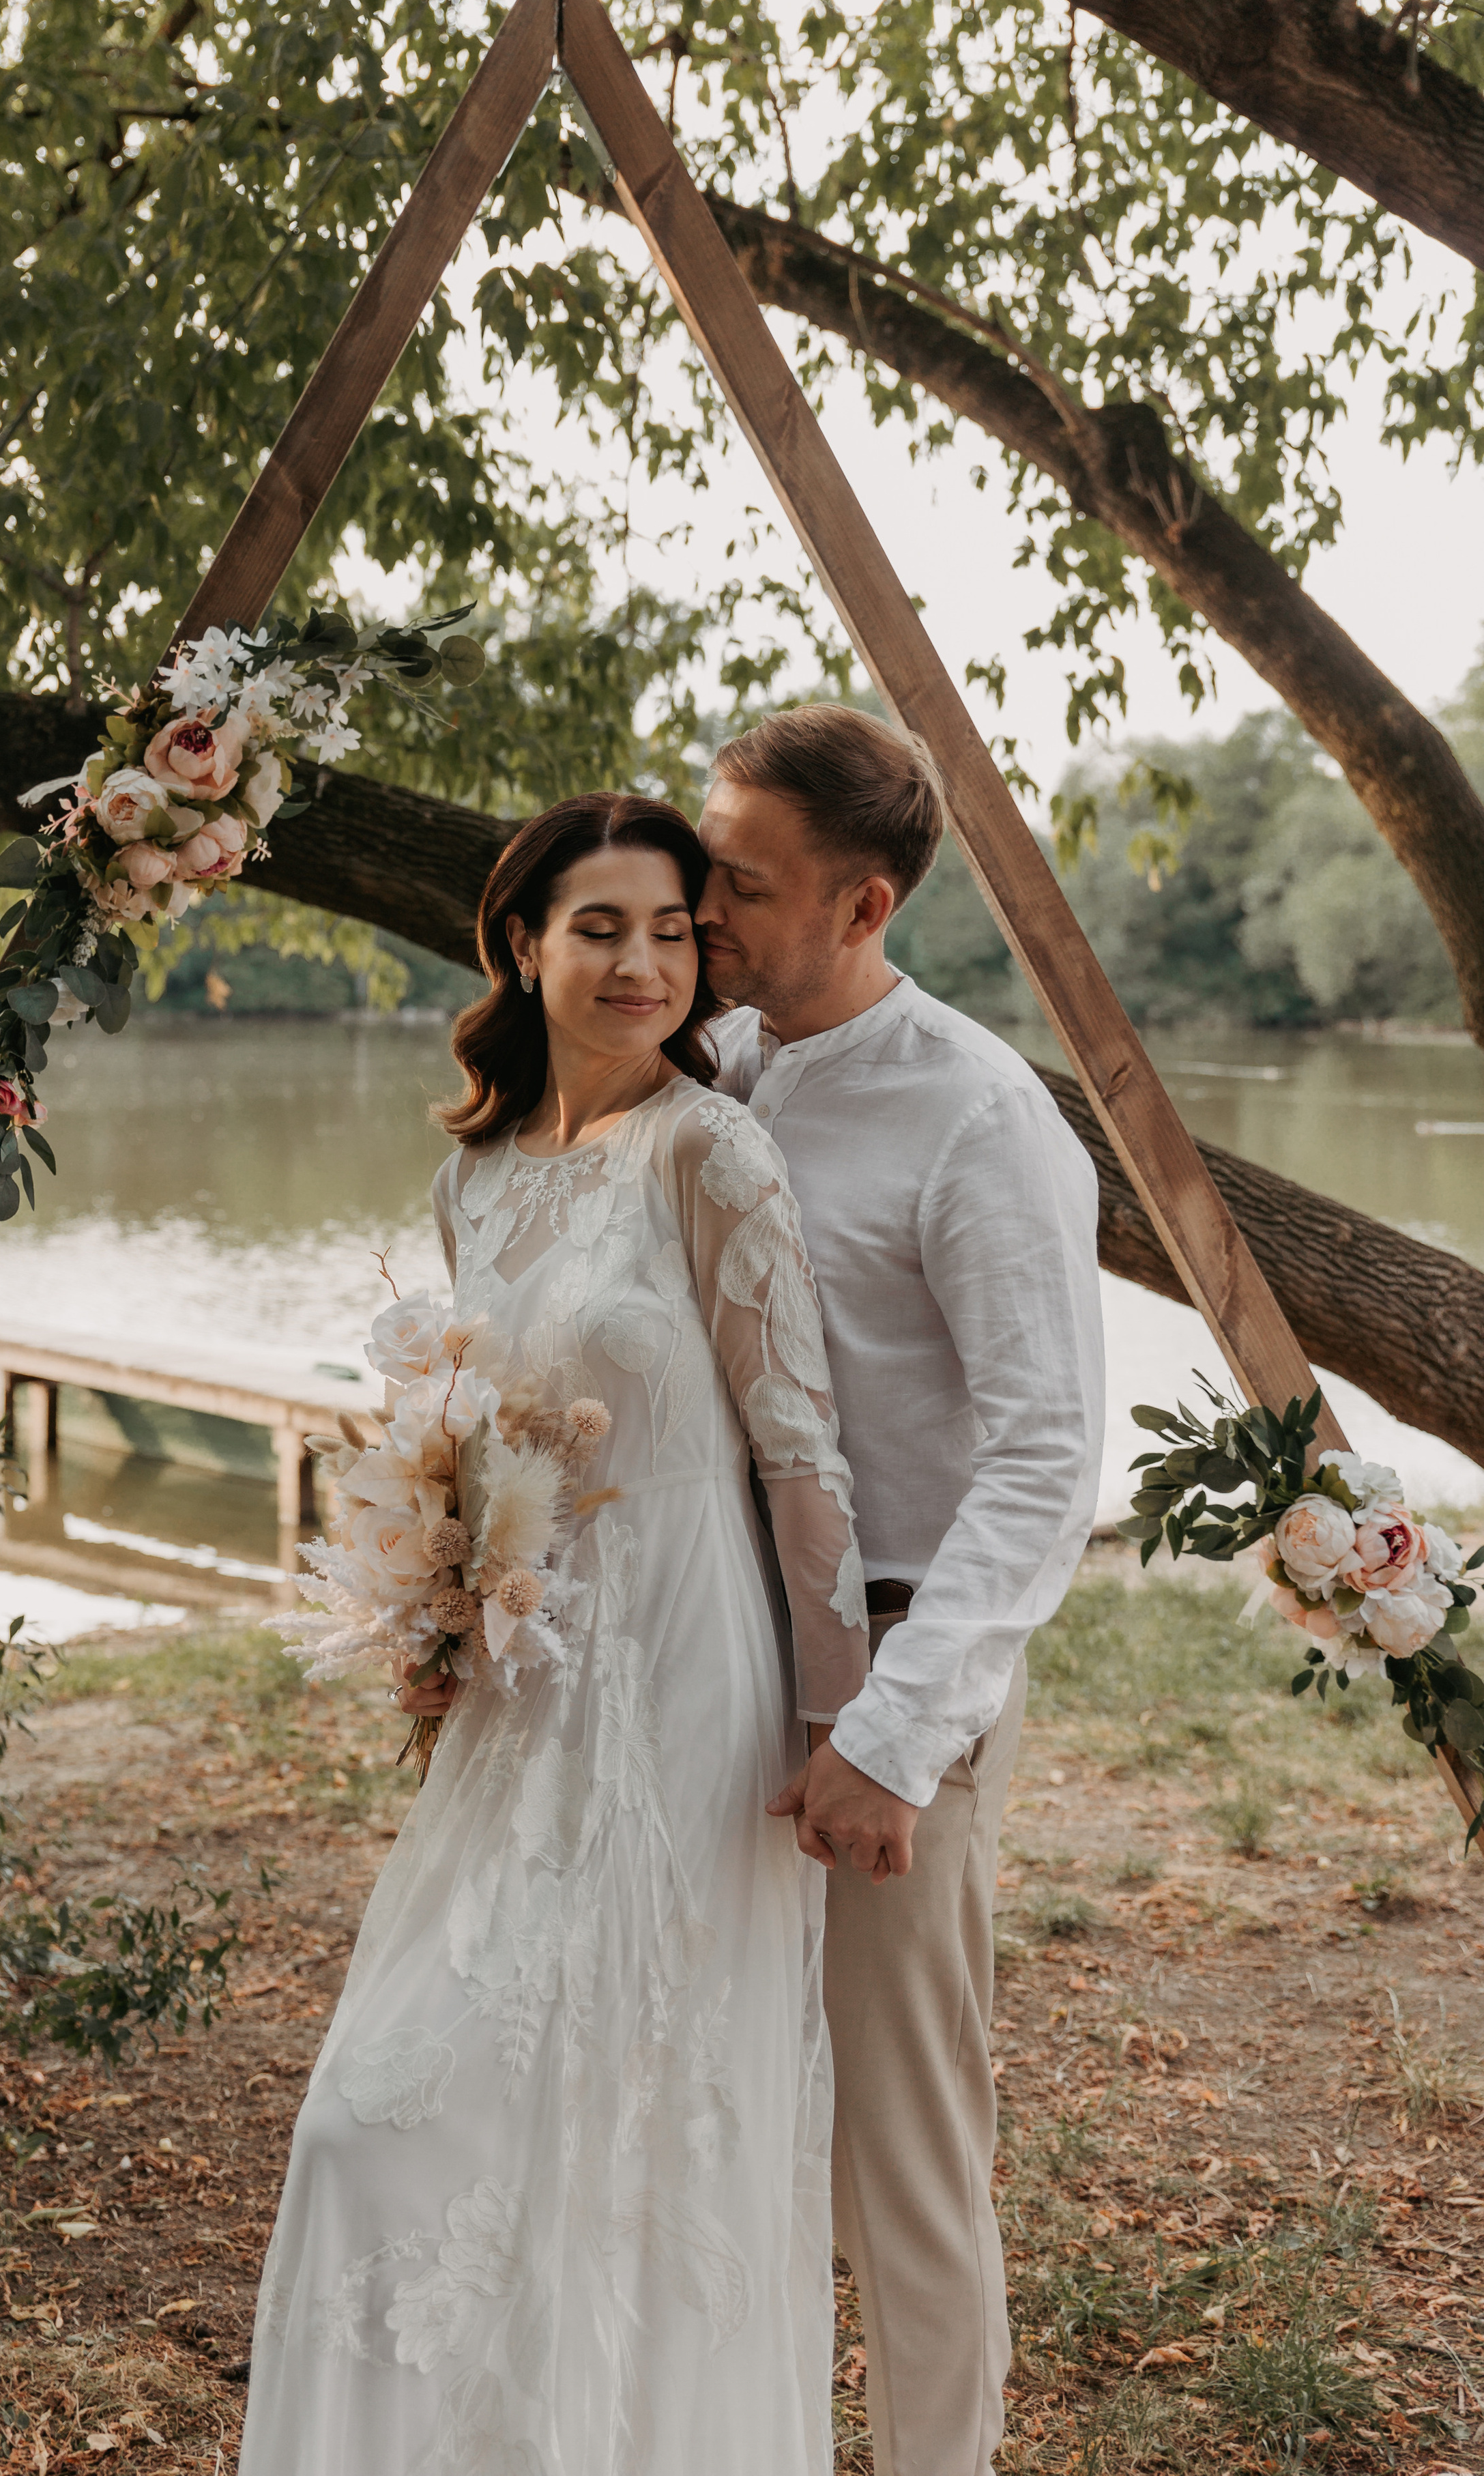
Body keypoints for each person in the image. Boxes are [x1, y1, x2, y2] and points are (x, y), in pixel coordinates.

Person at [239, 793, 871, 2476]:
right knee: (384, 2119)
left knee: (639, 2111)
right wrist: (435, 1602)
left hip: (687, 1669)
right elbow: (464, 1435)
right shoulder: (472, 1177)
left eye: (672, 931)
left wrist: (839, 1729)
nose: (642, 963)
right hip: (523, 1680)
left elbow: (799, 1450)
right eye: (600, 928)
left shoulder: (710, 1150)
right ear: (520, 943)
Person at [699, 704, 1105, 2476]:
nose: (706, 905)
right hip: (701, 1654)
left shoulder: (982, 1121)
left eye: (745, 881)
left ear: (865, 905)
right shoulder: (706, 1063)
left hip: (895, 1670)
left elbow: (1044, 1465)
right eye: (708, 859)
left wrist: (897, 1730)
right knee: (716, 2096)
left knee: (906, 2137)